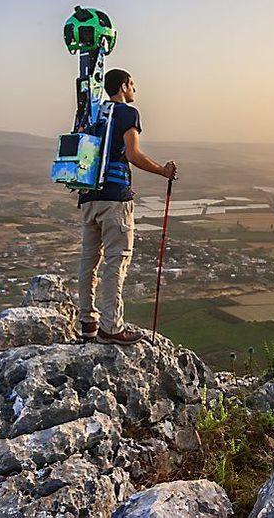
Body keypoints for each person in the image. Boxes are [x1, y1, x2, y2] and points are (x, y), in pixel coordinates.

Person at [77, 68, 177, 344]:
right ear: (122, 86)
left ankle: (87, 323)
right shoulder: (126, 113)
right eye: (132, 84)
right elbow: (132, 154)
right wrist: (162, 171)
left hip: (88, 197)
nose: (135, 89)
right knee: (115, 261)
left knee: (89, 261)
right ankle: (111, 327)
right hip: (114, 199)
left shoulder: (93, 113)